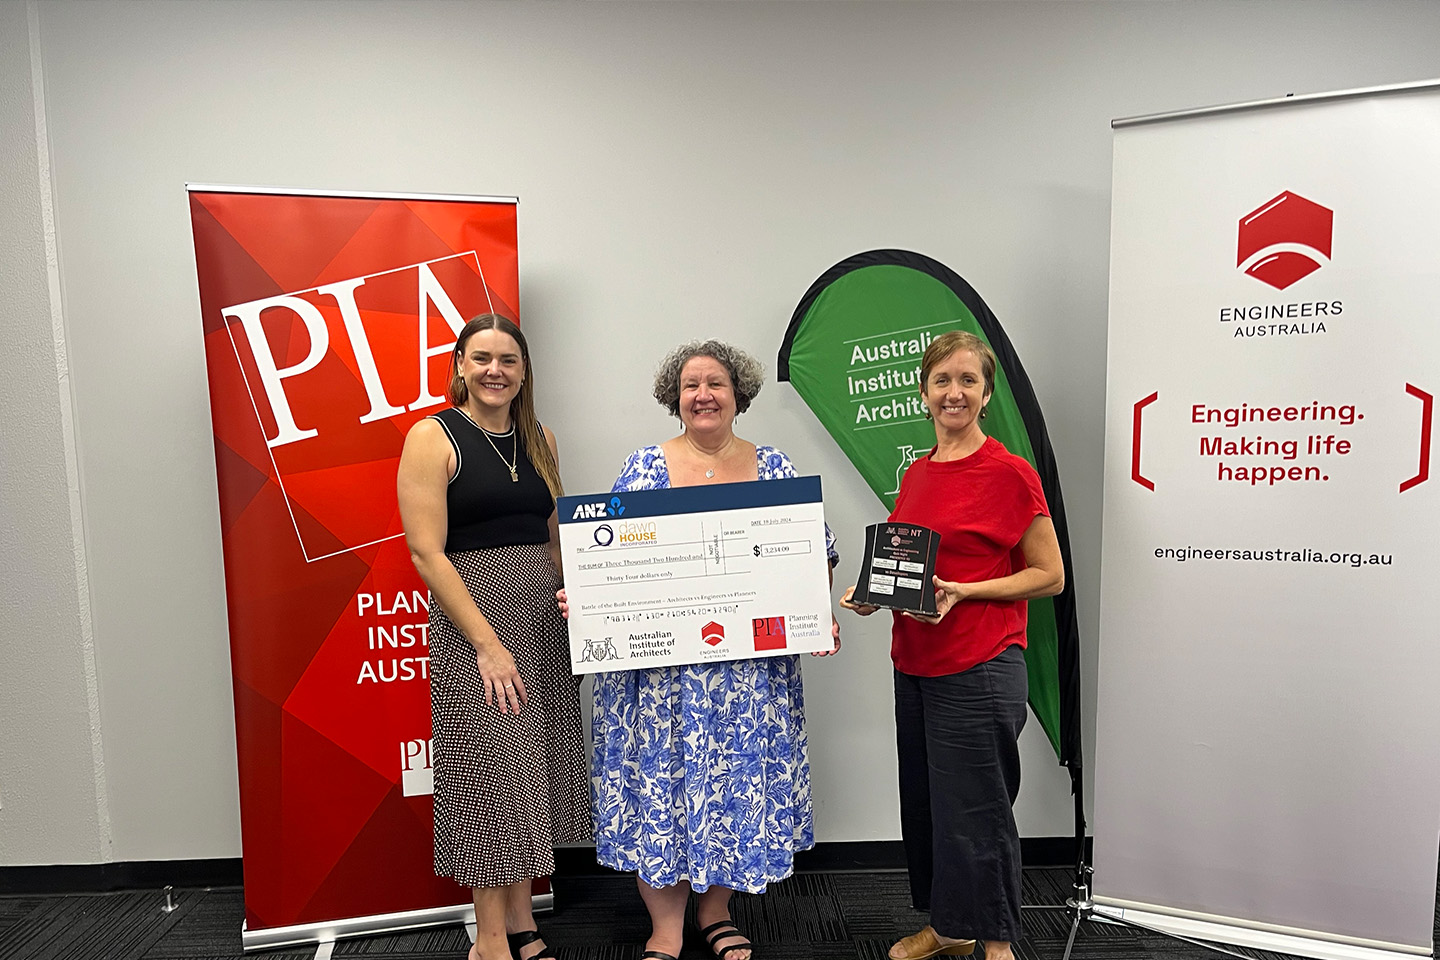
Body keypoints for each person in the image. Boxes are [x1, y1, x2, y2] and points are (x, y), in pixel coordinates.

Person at [563, 340, 839, 960]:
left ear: (738, 394)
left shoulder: (774, 468)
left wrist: (811, 615)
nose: (703, 395)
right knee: (662, 783)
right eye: (691, 385)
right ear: (675, 398)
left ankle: (715, 914)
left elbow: (812, 552)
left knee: (732, 787)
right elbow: (609, 560)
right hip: (658, 678)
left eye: (716, 383)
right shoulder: (644, 468)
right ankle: (664, 925)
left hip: (746, 678)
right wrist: (586, 599)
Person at [841, 331, 1064, 960]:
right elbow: (911, 568)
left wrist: (968, 591)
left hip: (981, 665)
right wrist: (871, 592)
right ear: (924, 393)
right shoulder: (917, 471)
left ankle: (998, 945)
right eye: (943, 381)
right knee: (932, 806)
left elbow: (1049, 575)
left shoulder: (1009, 473)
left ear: (986, 394)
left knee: (980, 814)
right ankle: (949, 928)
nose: (954, 392)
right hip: (914, 662)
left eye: (967, 380)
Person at [397, 314, 589, 960]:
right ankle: (489, 942)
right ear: (459, 365)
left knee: (530, 774)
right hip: (476, 626)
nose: (494, 370)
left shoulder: (540, 438)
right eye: (481, 358)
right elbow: (426, 552)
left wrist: (583, 613)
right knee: (489, 777)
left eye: (508, 359)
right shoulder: (432, 437)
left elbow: (555, 537)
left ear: (524, 370)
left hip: (541, 618)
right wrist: (485, 642)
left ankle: (520, 922)